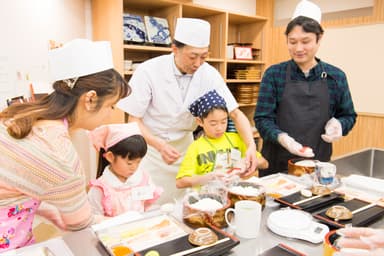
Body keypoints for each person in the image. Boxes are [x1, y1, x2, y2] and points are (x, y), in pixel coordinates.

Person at [0, 38, 130, 252]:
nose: (112, 113)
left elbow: (13, 181)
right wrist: (124, 221)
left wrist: (47, 210)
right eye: (111, 105)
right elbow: (80, 223)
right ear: (90, 99)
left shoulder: (21, 114)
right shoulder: (60, 155)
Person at [117, 18, 258, 203]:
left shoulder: (208, 73)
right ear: (175, 49)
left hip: (186, 150)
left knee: (184, 204)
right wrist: (160, 145)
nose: (198, 63)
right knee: (150, 204)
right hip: (151, 151)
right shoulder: (149, 71)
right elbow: (134, 120)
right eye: (193, 57)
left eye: (204, 56)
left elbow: (236, 113)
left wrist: (251, 146)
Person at [254, 0, 356, 176]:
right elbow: (262, 119)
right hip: (276, 166)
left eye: (305, 41)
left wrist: (339, 124)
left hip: (317, 166)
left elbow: (348, 115)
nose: (298, 48)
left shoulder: (336, 77)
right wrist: (282, 138)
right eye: (292, 42)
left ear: (319, 38)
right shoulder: (274, 74)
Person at [176, 90, 268, 189]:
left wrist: (246, 163)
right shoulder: (196, 147)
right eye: (213, 124)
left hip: (235, 193)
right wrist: (209, 177)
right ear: (200, 121)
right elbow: (180, 182)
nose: (219, 128)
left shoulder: (236, 138)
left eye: (224, 122)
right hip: (209, 199)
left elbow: (264, 163)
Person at [87, 123, 162, 216]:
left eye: (138, 162)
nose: (134, 167)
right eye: (129, 163)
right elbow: (94, 219)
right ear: (110, 157)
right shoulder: (101, 189)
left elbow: (148, 207)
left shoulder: (143, 180)